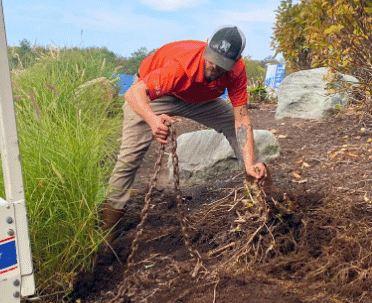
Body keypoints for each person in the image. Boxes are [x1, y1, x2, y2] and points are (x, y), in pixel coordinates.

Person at [101, 25, 267, 237]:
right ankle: (106, 233)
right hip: (153, 96)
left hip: (199, 99)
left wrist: (250, 162)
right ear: (207, 43)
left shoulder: (236, 71)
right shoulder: (182, 64)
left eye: (222, 65)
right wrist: (153, 120)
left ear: (235, 61)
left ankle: (259, 194)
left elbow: (242, 119)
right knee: (129, 158)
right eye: (212, 59)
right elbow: (134, 93)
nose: (214, 67)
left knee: (233, 126)